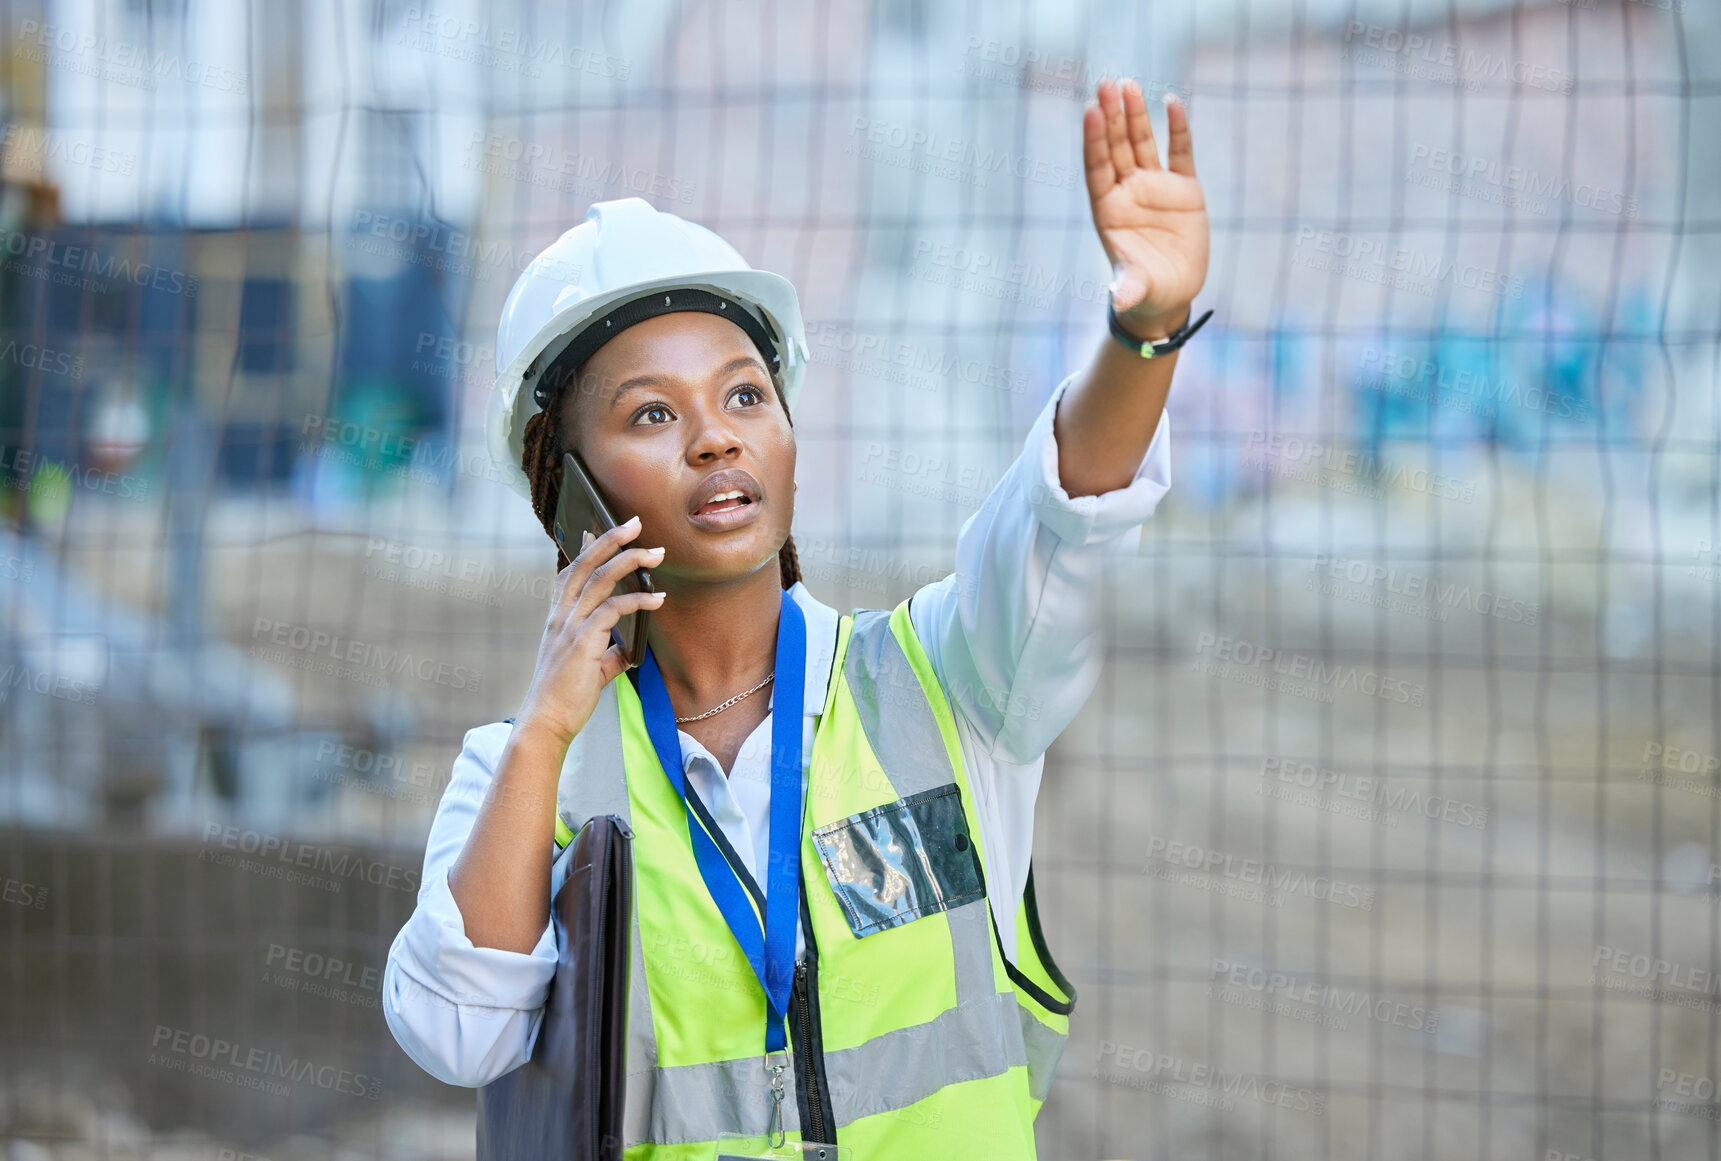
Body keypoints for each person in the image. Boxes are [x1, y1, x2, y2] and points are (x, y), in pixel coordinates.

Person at [384, 77, 1211, 1156]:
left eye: (742, 395)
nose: (716, 439)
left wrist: (1143, 332)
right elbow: (457, 1032)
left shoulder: (945, 682)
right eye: (650, 414)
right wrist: (544, 730)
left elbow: (1066, 519)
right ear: (566, 486)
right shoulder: (527, 773)